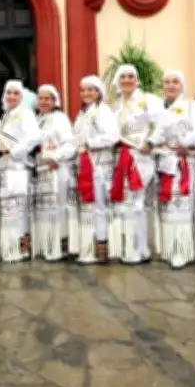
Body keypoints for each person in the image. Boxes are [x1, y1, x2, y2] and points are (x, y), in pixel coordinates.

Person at [149, 70, 195, 269]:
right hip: (163, 163)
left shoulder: (191, 106)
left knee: (180, 207)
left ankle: (182, 251)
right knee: (166, 207)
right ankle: (169, 249)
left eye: (175, 82)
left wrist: (187, 143)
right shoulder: (158, 107)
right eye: (167, 82)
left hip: (182, 163)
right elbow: (154, 133)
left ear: (182, 85)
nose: (170, 85)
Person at [110, 64, 165, 265]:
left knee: (136, 202)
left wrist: (150, 142)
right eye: (123, 76)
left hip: (140, 158)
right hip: (121, 157)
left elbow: (162, 123)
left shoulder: (148, 100)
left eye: (131, 76)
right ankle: (131, 248)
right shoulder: (115, 106)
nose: (127, 80)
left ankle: (139, 249)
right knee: (126, 204)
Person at [72, 75, 120, 264]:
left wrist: (90, 142)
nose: (86, 93)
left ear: (99, 92)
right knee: (88, 206)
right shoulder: (82, 113)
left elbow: (113, 136)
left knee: (100, 205)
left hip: (100, 164)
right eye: (83, 90)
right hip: (85, 165)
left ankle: (102, 246)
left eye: (90, 90)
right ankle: (89, 247)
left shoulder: (104, 111)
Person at [0, 80, 42, 262]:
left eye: (16, 93)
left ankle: (20, 249)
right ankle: (9, 247)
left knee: (19, 208)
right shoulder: (6, 116)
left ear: (21, 97)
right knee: (8, 209)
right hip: (5, 167)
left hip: (19, 166)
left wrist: (15, 151)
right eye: (9, 93)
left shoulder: (25, 113)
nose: (12, 96)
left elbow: (35, 137)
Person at [33, 84, 76, 262]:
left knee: (58, 208)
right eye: (41, 98)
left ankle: (60, 247)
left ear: (54, 101)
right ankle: (47, 245)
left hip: (57, 169)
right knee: (44, 209)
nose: (43, 101)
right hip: (41, 170)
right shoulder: (36, 119)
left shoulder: (60, 118)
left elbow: (69, 144)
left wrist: (56, 157)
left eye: (47, 98)